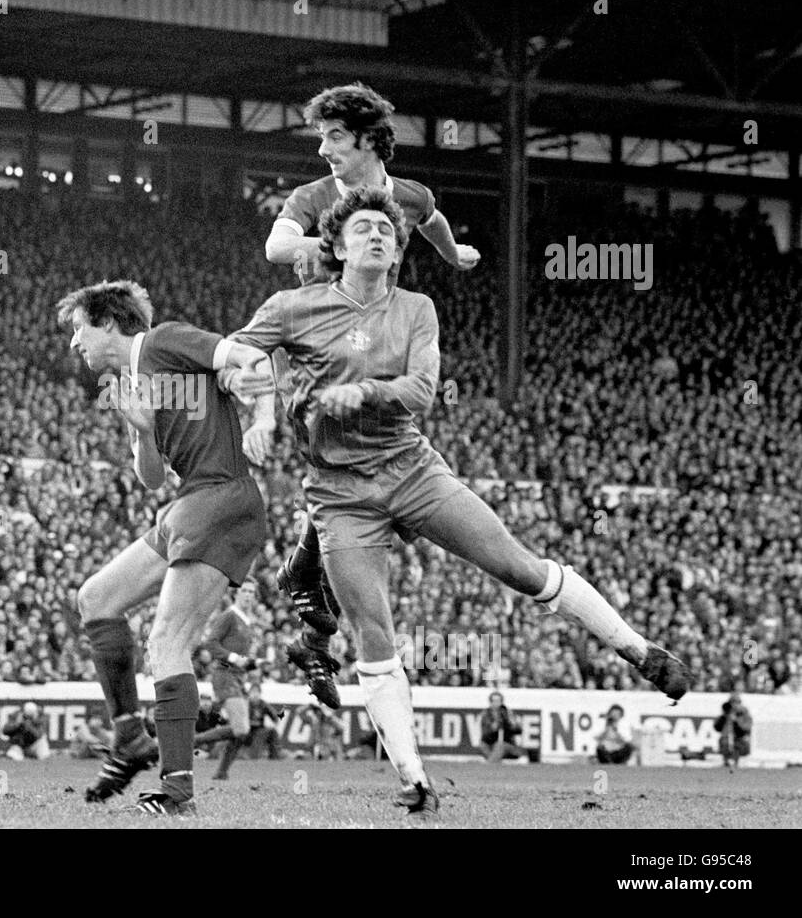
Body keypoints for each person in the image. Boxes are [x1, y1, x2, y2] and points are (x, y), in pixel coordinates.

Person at [225, 186, 692, 819]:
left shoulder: (417, 307)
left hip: (414, 471)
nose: (378, 236)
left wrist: (359, 393)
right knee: (373, 632)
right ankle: (414, 780)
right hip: (339, 497)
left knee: (518, 569)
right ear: (335, 245)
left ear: (396, 253)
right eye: (363, 228)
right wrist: (261, 408)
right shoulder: (291, 307)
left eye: (387, 231)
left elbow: (422, 390)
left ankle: (639, 650)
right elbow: (238, 354)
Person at [257, 83, 481, 709]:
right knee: (356, 484)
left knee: (380, 500)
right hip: (319, 360)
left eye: (333, 137)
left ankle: (314, 621)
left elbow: (430, 220)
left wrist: (453, 252)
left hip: (378, 349)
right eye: (321, 137)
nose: (322, 148)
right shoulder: (312, 198)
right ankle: (314, 608)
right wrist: (333, 246)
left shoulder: (406, 197)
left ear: (366, 141)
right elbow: (276, 247)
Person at [60, 280, 271, 815]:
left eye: (79, 328)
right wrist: (143, 430)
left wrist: (265, 418)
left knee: (166, 642)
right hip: (185, 503)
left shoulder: (164, 341)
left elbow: (250, 356)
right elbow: (151, 477)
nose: (74, 343)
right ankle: (130, 735)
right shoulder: (130, 381)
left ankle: (177, 793)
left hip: (221, 495)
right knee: (96, 599)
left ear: (108, 324)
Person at [193, 577, 260, 780]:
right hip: (225, 674)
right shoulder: (229, 616)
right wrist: (233, 658)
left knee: (241, 731)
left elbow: (240, 652)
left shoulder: (248, 622)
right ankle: (191, 742)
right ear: (236, 594)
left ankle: (221, 773)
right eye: (245, 591)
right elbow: (210, 643)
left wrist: (249, 663)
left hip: (238, 677)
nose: (248, 595)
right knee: (241, 729)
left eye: (252, 592)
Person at [479, 691, 534, 763]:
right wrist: (495, 724)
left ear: (502, 702)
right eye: (494, 701)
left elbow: (518, 730)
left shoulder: (507, 713)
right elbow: (486, 733)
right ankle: (495, 761)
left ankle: (490, 763)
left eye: (498, 701)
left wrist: (510, 722)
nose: (496, 703)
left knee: (500, 745)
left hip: (507, 744)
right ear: (490, 702)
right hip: (490, 744)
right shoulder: (486, 714)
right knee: (483, 745)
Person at [714, 693, 753, 769]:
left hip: (740, 741)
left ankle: (735, 762)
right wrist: (724, 716)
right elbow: (717, 728)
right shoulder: (726, 714)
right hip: (727, 741)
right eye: (732, 702)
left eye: (736, 702)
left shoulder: (744, 714)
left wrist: (736, 721)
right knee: (725, 741)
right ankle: (726, 761)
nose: (734, 705)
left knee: (737, 744)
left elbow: (744, 731)